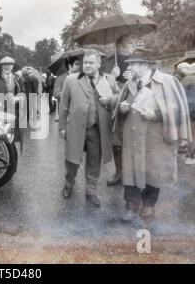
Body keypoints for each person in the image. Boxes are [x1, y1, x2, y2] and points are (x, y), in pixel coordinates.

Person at [113, 50, 192, 222]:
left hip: (155, 136)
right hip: (132, 135)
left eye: (135, 63)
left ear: (147, 65)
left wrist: (156, 114)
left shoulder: (167, 82)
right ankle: (131, 205)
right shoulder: (129, 84)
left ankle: (149, 204)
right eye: (131, 63)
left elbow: (178, 110)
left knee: (153, 170)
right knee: (131, 169)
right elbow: (121, 105)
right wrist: (123, 108)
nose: (131, 66)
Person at [59, 50, 120, 207]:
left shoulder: (109, 80)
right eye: (85, 62)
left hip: (98, 128)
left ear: (99, 64)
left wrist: (110, 99)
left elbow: (119, 96)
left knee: (94, 161)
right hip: (75, 127)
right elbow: (64, 105)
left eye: (90, 63)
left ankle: (91, 191)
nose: (86, 65)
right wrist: (62, 127)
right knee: (72, 160)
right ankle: (68, 184)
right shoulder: (71, 80)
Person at [102, 35, 137, 187]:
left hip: (132, 109)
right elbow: (101, 87)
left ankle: (132, 174)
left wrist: (134, 78)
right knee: (116, 143)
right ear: (120, 46)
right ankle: (119, 173)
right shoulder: (108, 62)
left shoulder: (137, 63)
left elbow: (147, 87)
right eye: (130, 44)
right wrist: (111, 76)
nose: (133, 47)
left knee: (132, 142)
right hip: (113, 109)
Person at [0, 56, 25, 142]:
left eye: (9, 65)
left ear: (12, 66)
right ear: (1, 66)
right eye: (4, 65)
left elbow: (23, 93)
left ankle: (12, 154)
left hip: (15, 111)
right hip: (1, 112)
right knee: (2, 137)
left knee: (13, 137)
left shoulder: (18, 78)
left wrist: (19, 98)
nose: (7, 67)